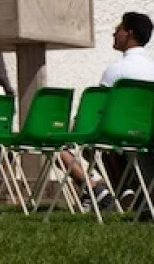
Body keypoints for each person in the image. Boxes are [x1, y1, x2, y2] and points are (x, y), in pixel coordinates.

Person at [62, 11, 154, 206]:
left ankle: (95, 189)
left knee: (68, 142)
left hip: (119, 134)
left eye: (118, 29)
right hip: (145, 135)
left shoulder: (117, 70)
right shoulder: (151, 69)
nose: (114, 33)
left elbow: (97, 110)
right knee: (111, 145)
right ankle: (127, 189)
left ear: (129, 33)